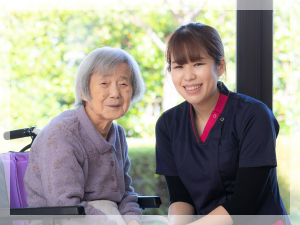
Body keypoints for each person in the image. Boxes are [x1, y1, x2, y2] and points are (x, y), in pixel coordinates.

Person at [155, 22, 291, 225]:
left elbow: (245, 202)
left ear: (220, 66)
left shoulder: (254, 115)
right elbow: (181, 197)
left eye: (198, 64)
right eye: (178, 66)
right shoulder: (168, 124)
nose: (188, 75)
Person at [24, 47, 145, 225]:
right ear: (83, 90)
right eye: (104, 83)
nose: (115, 93)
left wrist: (133, 220)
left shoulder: (117, 133)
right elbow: (65, 204)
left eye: (123, 84)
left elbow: (125, 192)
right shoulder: (62, 133)